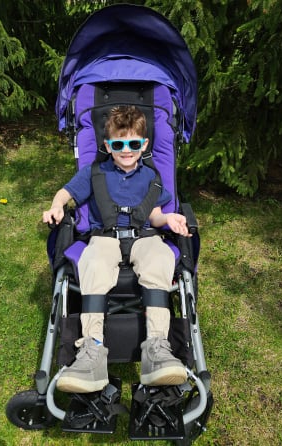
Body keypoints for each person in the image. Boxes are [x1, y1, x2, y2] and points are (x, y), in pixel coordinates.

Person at [42, 105, 191, 392]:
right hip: (105, 237)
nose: (126, 150)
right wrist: (57, 206)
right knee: (94, 262)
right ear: (108, 145)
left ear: (144, 145)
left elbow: (154, 214)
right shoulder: (95, 173)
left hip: (144, 235)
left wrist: (168, 218)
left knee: (160, 257)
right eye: (119, 144)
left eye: (133, 144)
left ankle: (157, 347)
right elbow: (66, 192)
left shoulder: (151, 177)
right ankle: (91, 351)